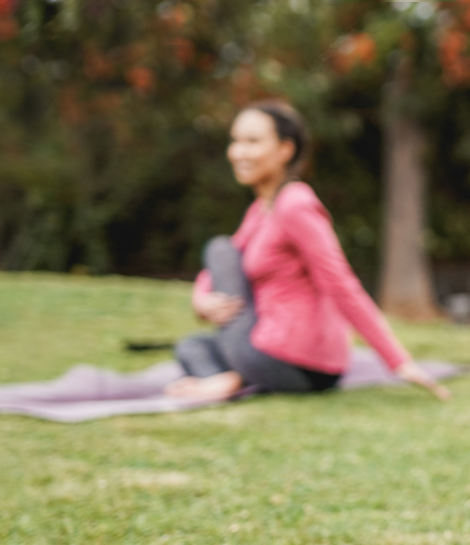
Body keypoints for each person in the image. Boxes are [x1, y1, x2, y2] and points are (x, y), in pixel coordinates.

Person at [164, 100, 451, 402]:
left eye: (252, 141)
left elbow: (341, 284)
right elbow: (220, 267)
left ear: (285, 150)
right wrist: (202, 301)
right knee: (191, 347)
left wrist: (398, 361)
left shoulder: (295, 205)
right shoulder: (261, 210)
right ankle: (231, 377)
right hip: (275, 354)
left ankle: (232, 378)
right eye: (235, 141)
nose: (238, 152)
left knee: (219, 247)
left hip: (292, 359)